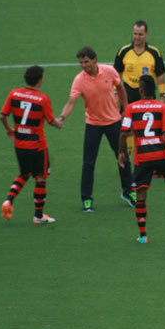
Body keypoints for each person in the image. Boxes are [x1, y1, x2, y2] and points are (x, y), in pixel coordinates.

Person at [57, 46, 135, 212]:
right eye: (81, 63)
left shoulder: (109, 71)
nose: (84, 65)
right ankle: (86, 199)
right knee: (88, 163)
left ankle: (128, 192)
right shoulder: (79, 80)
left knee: (122, 157)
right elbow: (72, 101)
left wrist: (126, 108)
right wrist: (62, 117)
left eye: (86, 62)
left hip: (113, 122)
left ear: (95, 60)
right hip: (93, 124)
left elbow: (120, 87)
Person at [118, 75, 165, 244]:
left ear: (141, 90)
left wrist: (120, 152)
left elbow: (123, 132)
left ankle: (143, 235)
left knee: (141, 196)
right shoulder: (162, 107)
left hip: (143, 157)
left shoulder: (131, 108)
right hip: (161, 154)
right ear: (155, 91)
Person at [0, 65, 62, 225]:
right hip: (37, 146)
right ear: (40, 80)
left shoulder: (14, 94)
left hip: (19, 144)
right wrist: (59, 123)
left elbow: (2, 115)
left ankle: (8, 200)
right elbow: (51, 121)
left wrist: (9, 130)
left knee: (24, 175)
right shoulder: (43, 99)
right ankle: (38, 216)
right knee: (40, 179)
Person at [114, 20, 165, 156]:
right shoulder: (124, 51)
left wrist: (162, 96)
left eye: (140, 34)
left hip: (148, 94)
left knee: (151, 127)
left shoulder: (154, 52)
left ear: (146, 34)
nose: (137, 37)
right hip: (128, 93)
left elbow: (160, 75)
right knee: (128, 127)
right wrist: (115, 94)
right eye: (135, 34)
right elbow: (116, 74)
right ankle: (128, 159)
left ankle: (151, 158)